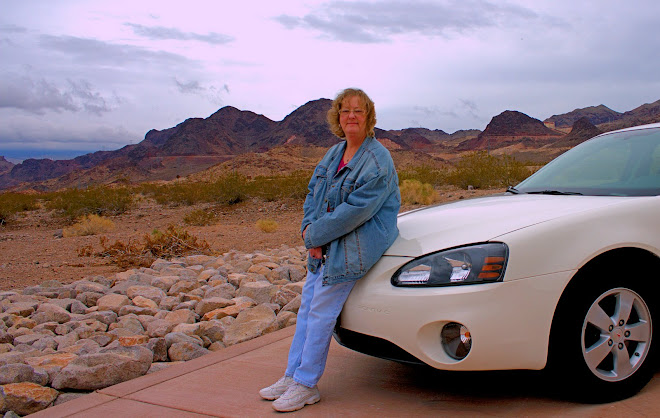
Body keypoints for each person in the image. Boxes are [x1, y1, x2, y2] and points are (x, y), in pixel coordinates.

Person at [259, 88, 401, 412]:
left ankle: (306, 384)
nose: (352, 116)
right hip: (326, 243)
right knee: (307, 309)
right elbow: (313, 193)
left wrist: (317, 236)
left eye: (358, 111)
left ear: (369, 118)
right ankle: (292, 375)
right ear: (338, 117)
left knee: (321, 311)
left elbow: (355, 211)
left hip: (355, 245)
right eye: (345, 110)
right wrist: (310, 230)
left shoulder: (377, 160)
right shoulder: (333, 154)